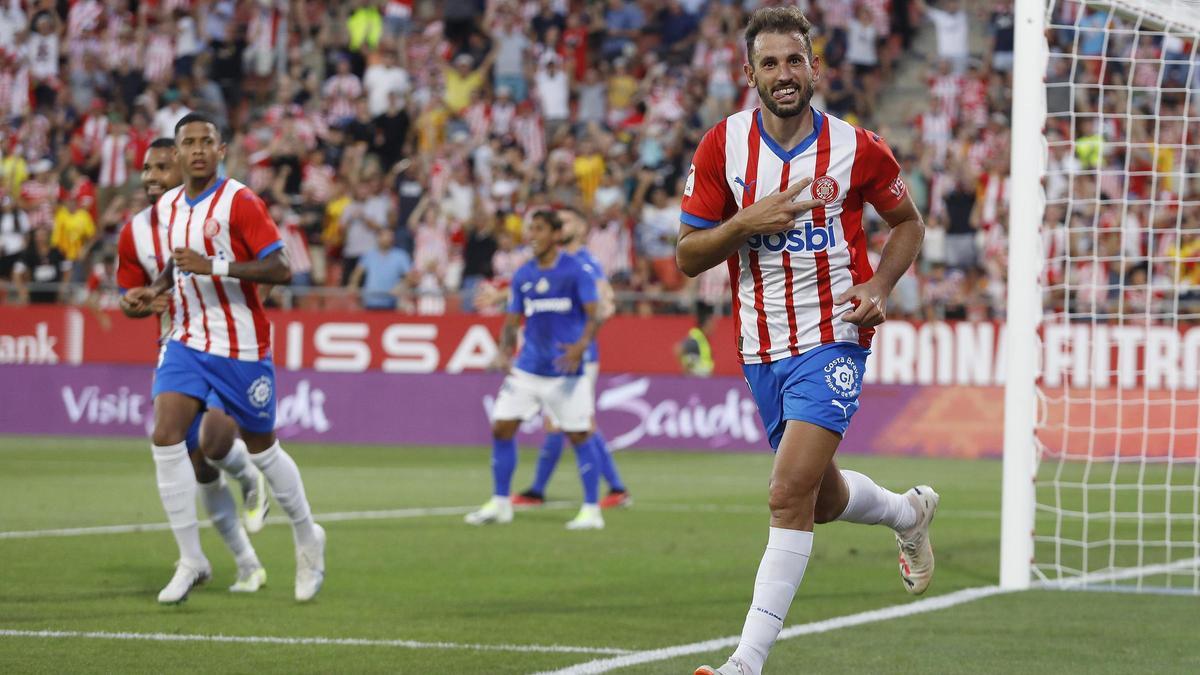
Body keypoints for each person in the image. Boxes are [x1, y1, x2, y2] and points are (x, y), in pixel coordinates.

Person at [677, 9, 938, 675]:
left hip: (835, 338)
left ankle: (745, 661)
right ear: (749, 74)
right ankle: (907, 511)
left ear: (815, 68)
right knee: (819, 500)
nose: (784, 74)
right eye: (770, 64)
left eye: (795, 61)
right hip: (762, 347)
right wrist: (745, 222)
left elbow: (906, 223)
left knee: (786, 493)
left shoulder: (858, 148)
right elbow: (686, 256)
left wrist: (880, 284)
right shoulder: (722, 147)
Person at [125, 113, 325, 603]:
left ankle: (307, 534)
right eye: (186, 143)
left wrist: (216, 266)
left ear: (221, 150)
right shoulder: (170, 205)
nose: (195, 150)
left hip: (240, 345)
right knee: (166, 435)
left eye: (205, 142)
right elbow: (178, 260)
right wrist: (151, 292)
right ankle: (191, 558)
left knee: (263, 448)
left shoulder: (241, 201)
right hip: (188, 339)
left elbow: (282, 268)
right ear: (176, 152)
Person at [116, 138, 270, 601]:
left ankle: (249, 477)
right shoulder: (135, 233)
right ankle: (238, 563)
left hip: (225, 348)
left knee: (216, 445)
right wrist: (134, 305)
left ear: (183, 166)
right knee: (195, 463)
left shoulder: (212, 214)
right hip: (177, 351)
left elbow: (255, 270)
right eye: (146, 168)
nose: (151, 177)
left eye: (162, 167)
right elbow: (132, 299)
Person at [464, 209, 606, 530]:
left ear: (555, 235)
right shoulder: (524, 274)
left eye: (539, 229)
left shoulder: (576, 271)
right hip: (528, 367)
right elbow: (513, 321)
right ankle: (500, 503)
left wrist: (581, 347)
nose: (532, 235)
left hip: (564, 368)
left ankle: (591, 510)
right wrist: (503, 352)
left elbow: (595, 315)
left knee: (580, 434)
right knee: (502, 427)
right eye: (530, 229)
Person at [512, 206, 631, 510]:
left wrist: (582, 340)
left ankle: (537, 491)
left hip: (577, 356)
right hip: (562, 355)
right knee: (576, 422)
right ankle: (616, 488)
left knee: (563, 422)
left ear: (581, 227)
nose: (561, 225)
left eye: (567, 221)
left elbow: (606, 304)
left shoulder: (584, 262)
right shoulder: (559, 261)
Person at [347, 226, 412, 310]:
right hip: (370, 304)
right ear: (378, 237)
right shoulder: (369, 255)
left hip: (391, 304)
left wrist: (401, 285)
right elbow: (357, 273)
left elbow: (411, 277)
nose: (389, 239)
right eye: (386, 236)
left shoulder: (400, 255)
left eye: (391, 236)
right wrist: (353, 284)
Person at [676, 302, 717, 377]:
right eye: (710, 325)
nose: (712, 328)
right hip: (697, 377)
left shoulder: (702, 338)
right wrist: (686, 369)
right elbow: (678, 349)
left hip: (703, 376)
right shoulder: (696, 338)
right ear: (705, 325)